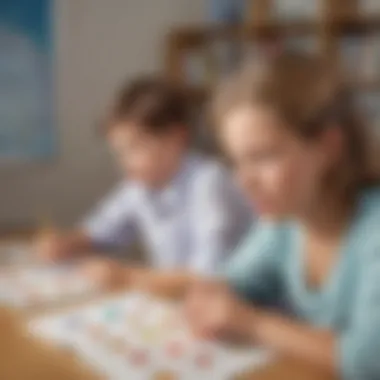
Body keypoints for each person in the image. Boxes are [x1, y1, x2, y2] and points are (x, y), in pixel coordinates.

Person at [185, 50, 380, 380]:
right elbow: (231, 281)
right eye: (236, 162)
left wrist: (251, 322)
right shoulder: (285, 221)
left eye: (262, 157)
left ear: (328, 147)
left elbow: (367, 361)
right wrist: (213, 295)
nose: (244, 182)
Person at [36, 77, 252, 294]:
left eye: (135, 148)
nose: (125, 163)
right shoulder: (140, 184)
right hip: (180, 304)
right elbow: (98, 232)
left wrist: (127, 277)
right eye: (120, 153)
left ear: (177, 138)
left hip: (233, 304)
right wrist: (66, 243)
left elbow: (206, 277)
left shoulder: (210, 183)